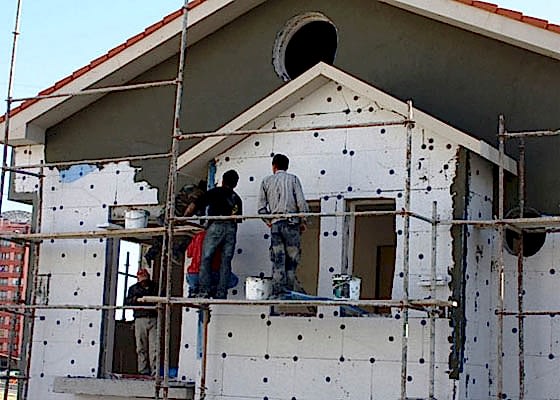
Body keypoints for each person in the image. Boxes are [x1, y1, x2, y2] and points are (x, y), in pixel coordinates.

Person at [258, 154, 309, 297]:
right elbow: (301, 203)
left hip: (276, 225)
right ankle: (289, 292)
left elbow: (261, 208)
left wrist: (269, 221)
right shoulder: (293, 179)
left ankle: (279, 292)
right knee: (291, 261)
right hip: (292, 223)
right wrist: (303, 221)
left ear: (274, 166)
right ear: (287, 166)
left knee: (278, 259)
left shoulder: (266, 181)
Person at [196, 170, 243, 299]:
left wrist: (183, 218)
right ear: (235, 184)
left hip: (216, 225)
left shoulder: (215, 192)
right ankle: (221, 293)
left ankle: (204, 291)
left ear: (222, 180)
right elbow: (237, 219)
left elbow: (196, 204)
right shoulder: (236, 198)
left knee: (206, 257)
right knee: (226, 261)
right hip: (231, 228)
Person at [125, 268, 158, 375]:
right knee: (141, 346)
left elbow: (160, 299)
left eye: (145, 278)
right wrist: (136, 299)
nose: (144, 281)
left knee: (154, 347)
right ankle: (143, 370)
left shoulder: (155, 287)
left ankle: (155, 371)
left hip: (153, 318)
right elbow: (127, 302)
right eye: (142, 279)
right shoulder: (133, 289)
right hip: (140, 318)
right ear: (138, 279)